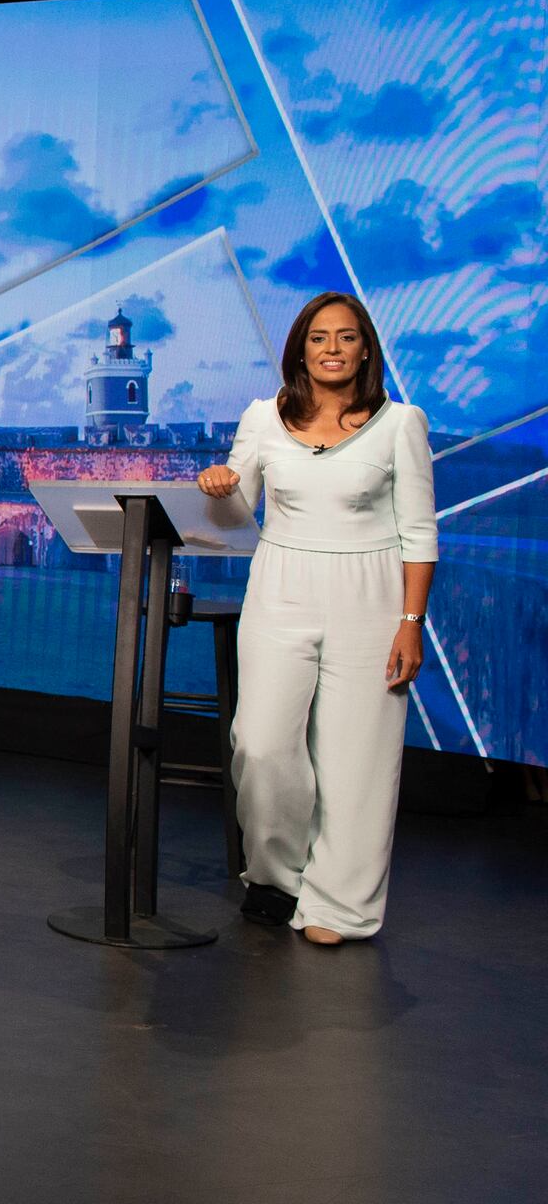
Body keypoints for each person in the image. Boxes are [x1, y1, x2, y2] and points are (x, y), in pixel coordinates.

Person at [199, 291, 436, 945]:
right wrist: (219, 484)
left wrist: (411, 621)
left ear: (366, 348)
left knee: (356, 757)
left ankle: (340, 904)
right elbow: (234, 513)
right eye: (318, 337)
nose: (332, 348)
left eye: (346, 337)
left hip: (372, 592)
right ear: (299, 348)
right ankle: (275, 875)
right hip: (280, 584)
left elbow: (418, 533)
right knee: (262, 742)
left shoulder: (401, 423)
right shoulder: (262, 417)